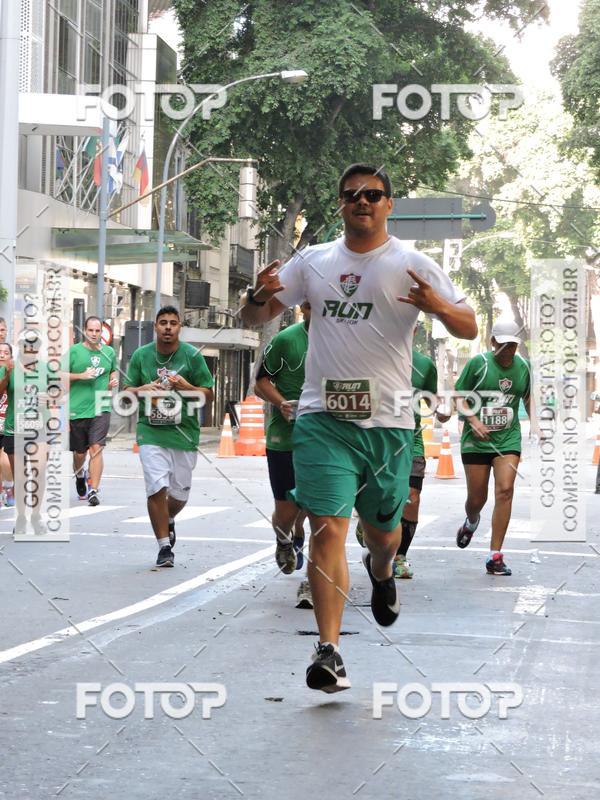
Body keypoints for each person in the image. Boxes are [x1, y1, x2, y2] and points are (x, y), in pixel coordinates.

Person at [240, 163, 477, 692]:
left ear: (389, 204)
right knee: (326, 528)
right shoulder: (314, 261)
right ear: (341, 204)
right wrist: (258, 296)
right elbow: (253, 318)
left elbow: (469, 324)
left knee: (383, 535)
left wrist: (437, 306)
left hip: (389, 426)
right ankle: (329, 650)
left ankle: (383, 569)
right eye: (351, 195)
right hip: (322, 422)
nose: (361, 202)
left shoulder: (412, 263)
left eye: (372, 194)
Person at [124, 306, 214, 567]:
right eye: (162, 322)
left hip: (183, 432)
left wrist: (187, 387)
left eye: (172, 323)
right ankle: (164, 547)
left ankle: (169, 518)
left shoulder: (192, 356)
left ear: (179, 328)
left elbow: (208, 393)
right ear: (155, 326)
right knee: (156, 487)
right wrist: (141, 389)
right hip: (150, 430)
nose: (167, 327)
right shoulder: (142, 356)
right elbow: (127, 391)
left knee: (179, 495)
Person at [355, 338, 450, 580]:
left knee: (412, 497)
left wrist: (441, 408)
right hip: (375, 438)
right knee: (380, 497)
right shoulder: (369, 354)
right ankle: (368, 518)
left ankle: (400, 557)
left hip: (411, 440)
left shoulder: (425, 365)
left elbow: (432, 398)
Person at [454, 320, 533, 576]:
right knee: (477, 499)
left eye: (513, 344)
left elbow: (529, 397)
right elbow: (458, 396)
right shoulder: (480, 364)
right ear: (493, 343)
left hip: (508, 440)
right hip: (476, 440)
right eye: (504, 344)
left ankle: (495, 555)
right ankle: (472, 520)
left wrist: (538, 424)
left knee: (506, 490)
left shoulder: (523, 367)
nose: (509, 349)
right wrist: (473, 420)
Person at [254, 301, 312, 609]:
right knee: (288, 510)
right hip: (285, 438)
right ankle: (284, 538)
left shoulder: (346, 340)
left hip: (328, 439)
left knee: (322, 509)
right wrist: (281, 403)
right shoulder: (286, 340)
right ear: (304, 307)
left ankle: (315, 583)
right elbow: (261, 381)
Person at [67, 316, 118, 506]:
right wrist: (81, 375)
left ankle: (94, 490)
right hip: (77, 409)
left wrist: (113, 381)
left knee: (96, 448)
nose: (94, 334)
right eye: (91, 330)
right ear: (85, 331)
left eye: (98, 331)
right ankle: (80, 475)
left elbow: (112, 371)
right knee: (80, 453)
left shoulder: (109, 352)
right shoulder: (74, 351)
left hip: (101, 406)